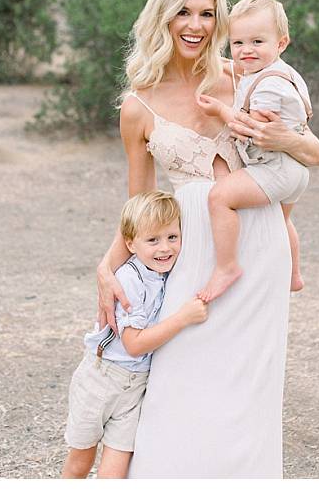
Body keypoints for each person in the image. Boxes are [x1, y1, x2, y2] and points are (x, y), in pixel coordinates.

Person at [94, 0, 319, 478]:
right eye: (183, 11)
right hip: (190, 248)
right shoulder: (137, 106)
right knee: (177, 379)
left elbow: (314, 152)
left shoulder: (246, 75)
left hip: (258, 244)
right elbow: (140, 207)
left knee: (248, 388)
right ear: (164, 17)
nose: (195, 24)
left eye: (206, 12)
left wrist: (280, 140)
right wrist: (107, 268)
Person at [62, 191, 209, 479]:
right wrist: (183, 318)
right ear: (130, 243)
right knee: (81, 461)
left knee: (115, 472)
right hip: (102, 378)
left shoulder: (170, 273)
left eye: (172, 237)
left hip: (135, 387)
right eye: (152, 240)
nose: (164, 248)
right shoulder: (130, 278)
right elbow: (133, 344)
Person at [196, 0, 312, 301]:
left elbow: (252, 129)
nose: (246, 51)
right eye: (238, 44)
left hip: (275, 167)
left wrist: (221, 112)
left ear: (281, 43)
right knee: (282, 220)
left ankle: (227, 266)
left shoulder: (270, 85)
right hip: (296, 170)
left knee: (220, 197)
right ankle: (294, 275)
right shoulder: (284, 74)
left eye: (257, 42)